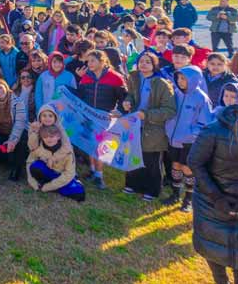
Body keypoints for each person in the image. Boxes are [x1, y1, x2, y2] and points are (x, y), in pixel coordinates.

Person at [187, 104, 238, 284]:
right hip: (211, 200)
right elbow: (195, 162)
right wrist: (217, 197)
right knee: (210, 246)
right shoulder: (214, 130)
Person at [120, 52, 176, 201]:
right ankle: (133, 184)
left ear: (154, 65)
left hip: (154, 129)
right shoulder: (134, 78)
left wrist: (147, 115)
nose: (143, 64)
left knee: (151, 160)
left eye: (147, 62)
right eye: (141, 61)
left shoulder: (162, 84)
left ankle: (152, 190)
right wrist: (127, 101)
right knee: (133, 156)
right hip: (134, 125)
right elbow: (130, 95)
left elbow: (169, 110)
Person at [75, 50, 127, 189]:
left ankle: (99, 176)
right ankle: (93, 171)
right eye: (88, 61)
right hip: (88, 117)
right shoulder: (86, 77)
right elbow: (80, 96)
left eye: (92, 61)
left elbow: (124, 98)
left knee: (101, 148)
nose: (89, 64)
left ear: (102, 61)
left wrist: (120, 111)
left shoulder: (115, 77)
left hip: (105, 118)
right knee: (91, 145)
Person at [164, 66, 214, 211]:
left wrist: (189, 133)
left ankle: (188, 199)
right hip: (173, 139)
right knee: (175, 165)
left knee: (187, 168)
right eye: (179, 78)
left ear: (194, 80)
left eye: (184, 79)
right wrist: (168, 128)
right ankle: (175, 194)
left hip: (189, 141)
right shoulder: (176, 94)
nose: (180, 81)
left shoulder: (201, 98)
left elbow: (205, 123)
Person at [27, 125, 85, 201]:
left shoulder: (67, 151)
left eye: (51, 136)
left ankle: (54, 186)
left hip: (61, 175)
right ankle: (52, 185)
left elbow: (68, 174)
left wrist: (47, 187)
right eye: (45, 137)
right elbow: (30, 156)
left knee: (80, 194)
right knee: (35, 166)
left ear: (59, 137)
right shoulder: (39, 149)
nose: (48, 139)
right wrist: (32, 183)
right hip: (48, 173)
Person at [0, 79, 28, 181]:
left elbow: (20, 123)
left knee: (21, 141)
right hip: (1, 134)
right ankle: (7, 158)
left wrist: (12, 140)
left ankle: (17, 169)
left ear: (6, 87)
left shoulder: (18, 102)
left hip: (17, 132)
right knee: (5, 158)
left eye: (1, 87)